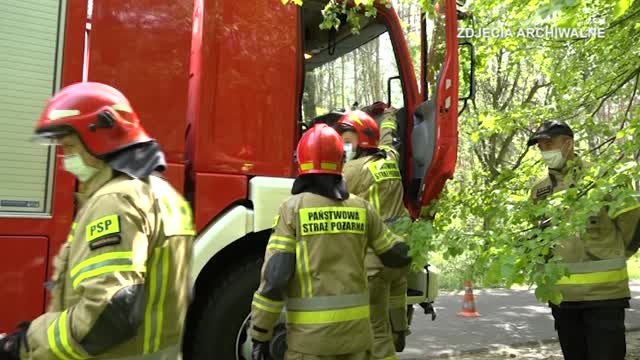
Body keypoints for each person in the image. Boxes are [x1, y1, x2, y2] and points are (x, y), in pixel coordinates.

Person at [0, 82, 195, 359]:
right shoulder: (165, 195)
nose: (65, 159)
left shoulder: (115, 200)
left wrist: (26, 342)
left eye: (69, 146)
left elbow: (108, 312)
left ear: (100, 138)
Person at [249, 123, 412, 360]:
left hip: (310, 346)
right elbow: (398, 254)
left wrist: (260, 334)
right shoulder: (361, 208)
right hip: (357, 342)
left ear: (302, 162)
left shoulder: (292, 210)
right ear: (340, 160)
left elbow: (275, 278)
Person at [528, 120, 640, 360]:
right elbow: (538, 239)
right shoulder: (540, 190)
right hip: (562, 299)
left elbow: (634, 225)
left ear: (568, 143)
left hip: (604, 296)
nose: (545, 150)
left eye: (550, 143)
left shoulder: (603, 178)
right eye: (540, 146)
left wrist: (616, 253)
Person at [335, 106, 410, 358]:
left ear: (361, 140)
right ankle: (400, 330)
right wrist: (388, 116)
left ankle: (389, 345)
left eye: (347, 140)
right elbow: (388, 138)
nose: (343, 146)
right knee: (396, 295)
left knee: (376, 329)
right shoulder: (389, 158)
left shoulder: (353, 171)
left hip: (375, 259)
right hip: (401, 253)